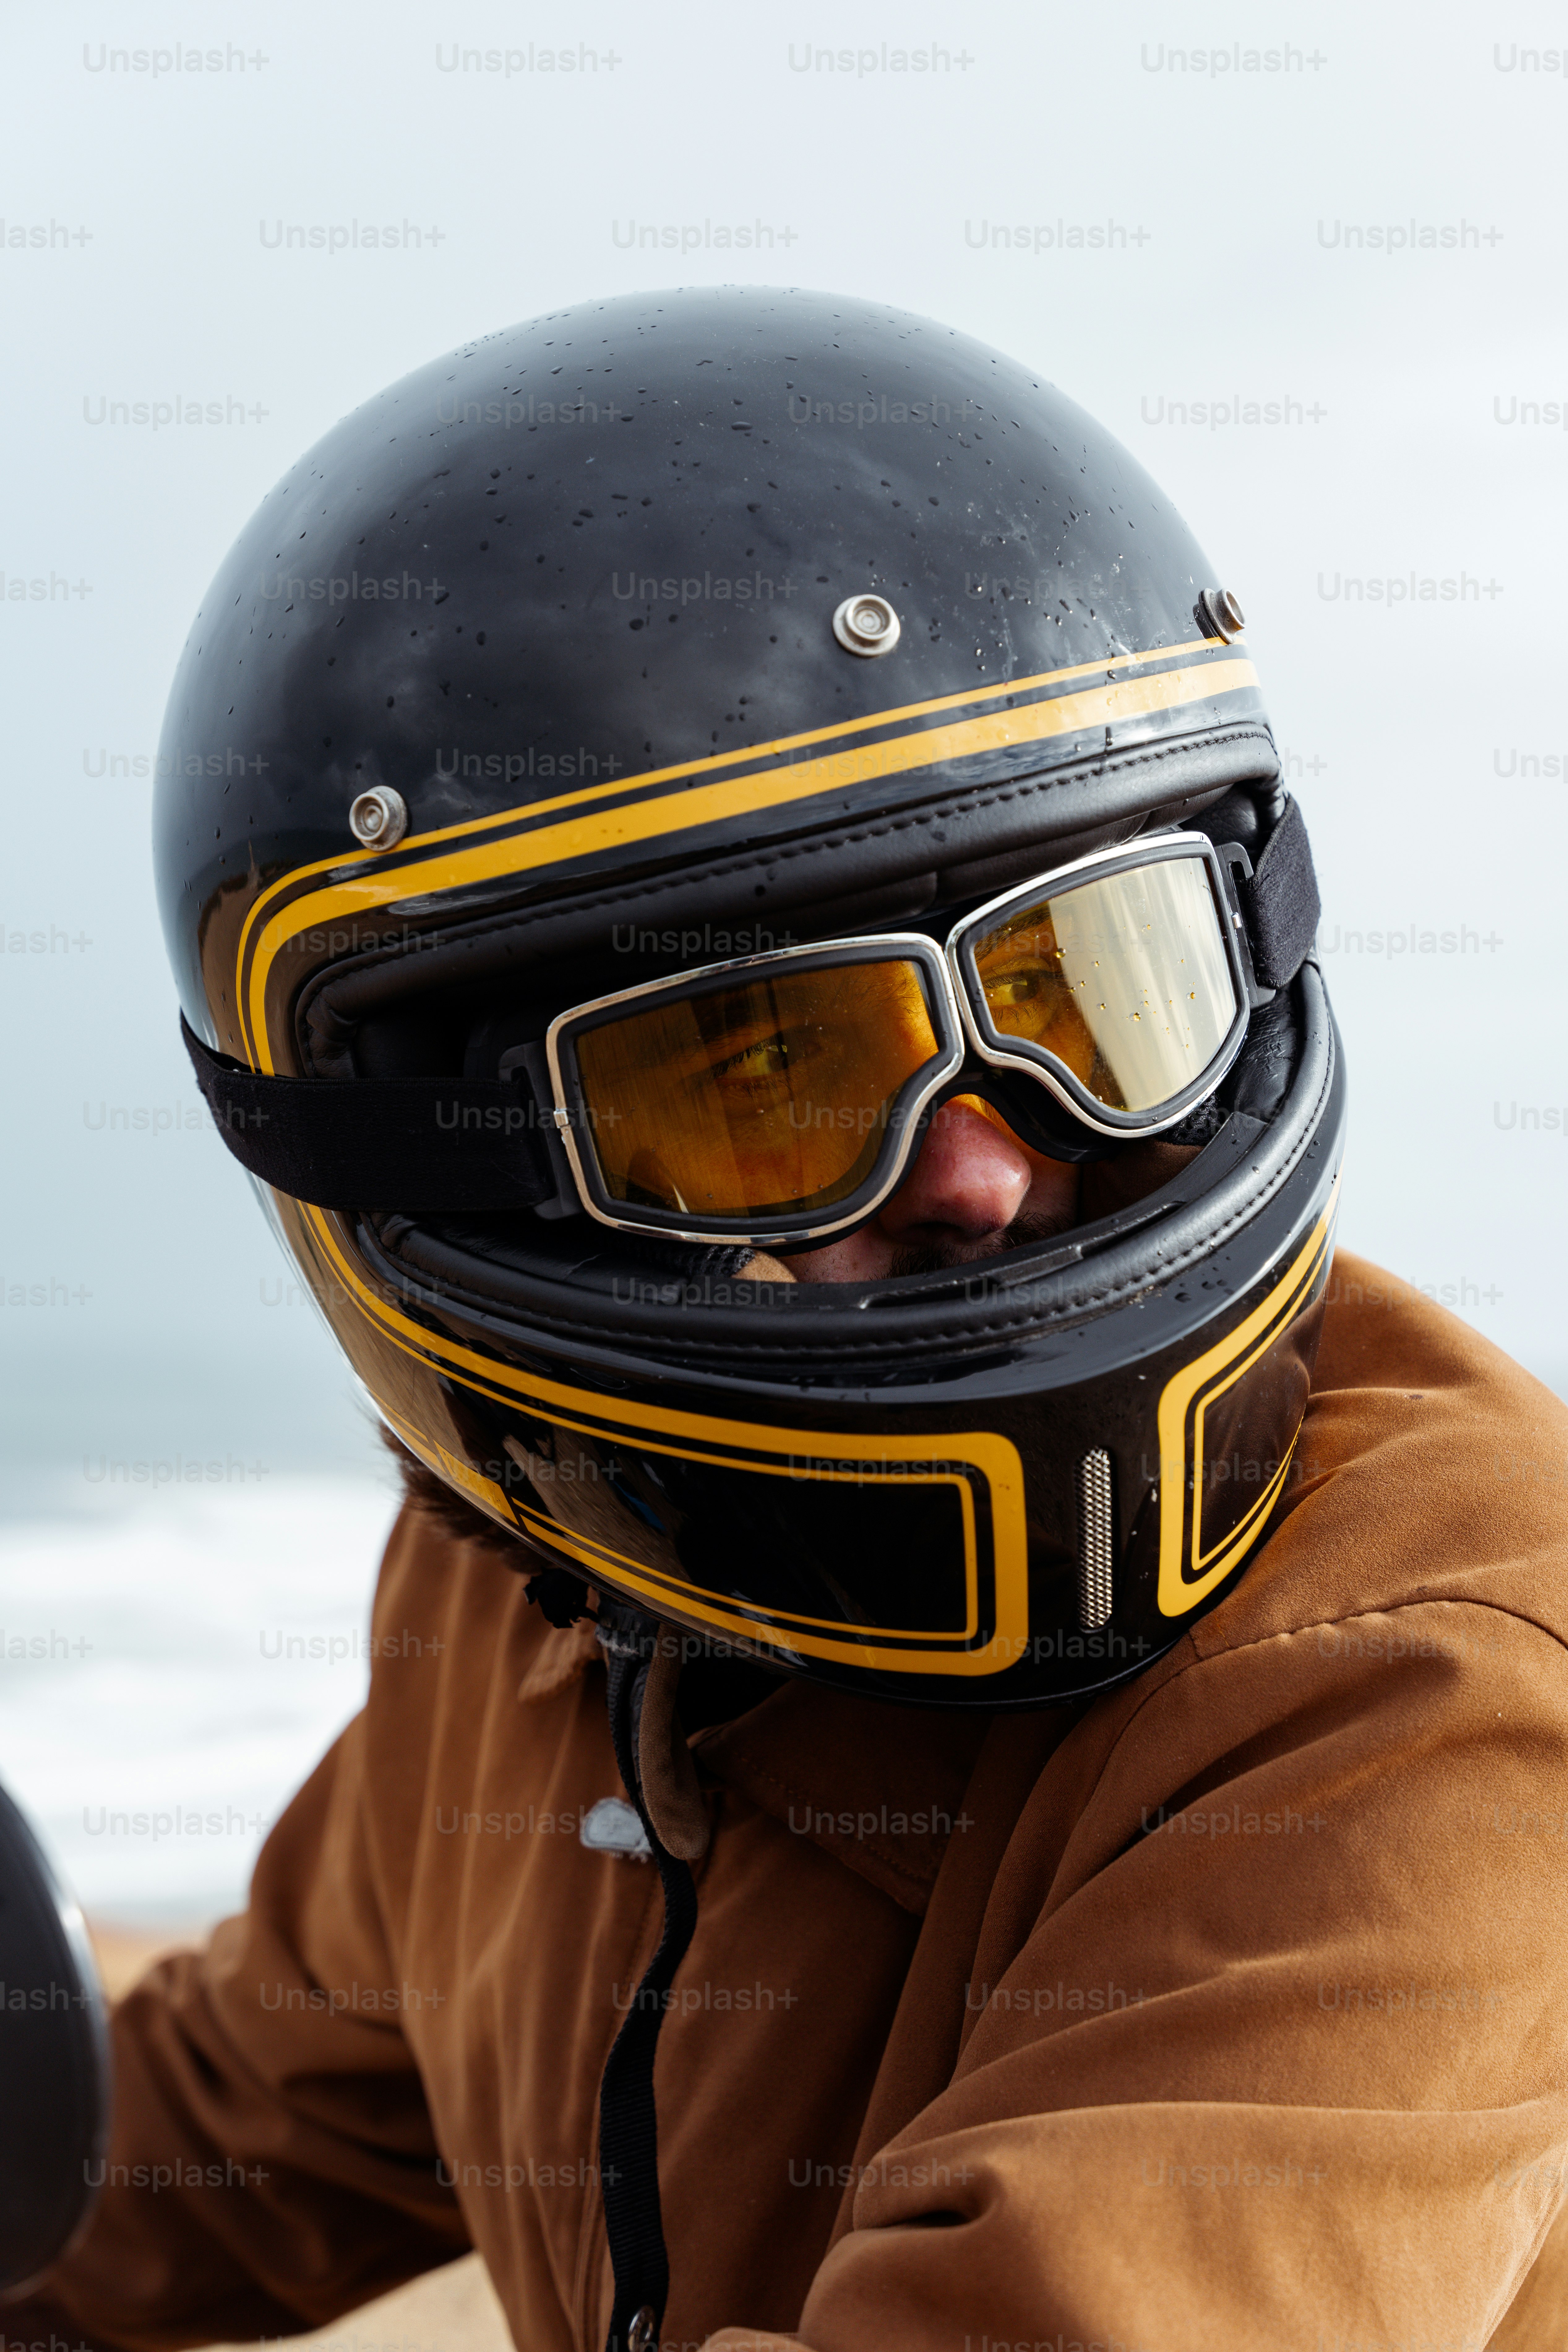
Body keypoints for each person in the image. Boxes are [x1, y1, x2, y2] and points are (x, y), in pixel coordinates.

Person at [9, 287, 1568, 2352]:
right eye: (774, 1076)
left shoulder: (1435, 1678)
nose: (991, 1165)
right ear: (446, 1165)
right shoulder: (525, 1591)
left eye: (1088, 993)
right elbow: (229, 2130)